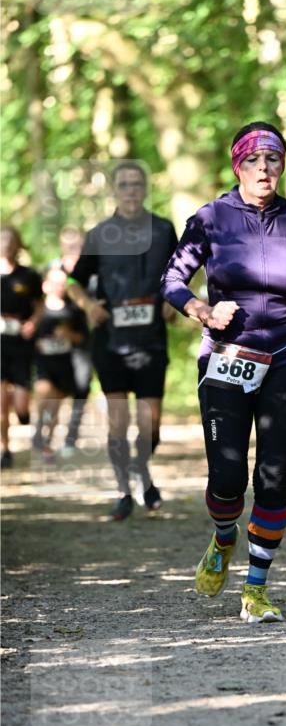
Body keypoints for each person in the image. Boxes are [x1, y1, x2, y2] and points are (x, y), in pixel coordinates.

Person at [161, 121, 286, 623]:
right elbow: (173, 278)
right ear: (238, 165)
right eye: (254, 161)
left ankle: (255, 588)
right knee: (227, 478)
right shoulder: (211, 219)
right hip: (228, 356)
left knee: (274, 477)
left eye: (274, 160)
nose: (265, 169)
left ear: (283, 165)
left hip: (285, 354)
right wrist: (201, 310)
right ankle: (222, 537)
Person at [67, 162, 178, 519]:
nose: (130, 191)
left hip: (151, 343)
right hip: (111, 342)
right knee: (118, 422)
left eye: (136, 184)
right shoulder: (99, 233)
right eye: (124, 185)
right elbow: (73, 282)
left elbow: (180, 274)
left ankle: (142, 470)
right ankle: (123, 490)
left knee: (152, 425)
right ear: (115, 191)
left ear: (145, 189)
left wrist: (175, 301)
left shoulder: (163, 230)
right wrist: (88, 305)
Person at [33, 263, 89, 461]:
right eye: (54, 283)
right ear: (45, 285)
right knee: (45, 394)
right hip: (44, 364)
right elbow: (28, 335)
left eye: (62, 284)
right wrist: (37, 342)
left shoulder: (73, 311)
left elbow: (83, 338)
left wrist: (68, 335)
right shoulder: (38, 310)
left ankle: (46, 442)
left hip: (64, 364)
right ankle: (39, 428)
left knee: (55, 406)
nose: (59, 287)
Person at [0, 226, 43, 469]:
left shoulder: (28, 276)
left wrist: (32, 323)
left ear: (18, 245)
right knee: (0, 404)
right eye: (1, 239)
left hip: (21, 346)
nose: (5, 244)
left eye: (10, 240)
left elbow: (40, 306)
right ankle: (5, 449)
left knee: (20, 403)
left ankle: (24, 414)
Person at [58, 226, 93, 455]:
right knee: (53, 388)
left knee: (82, 387)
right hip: (57, 341)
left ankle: (71, 436)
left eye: (76, 244)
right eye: (68, 244)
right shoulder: (53, 270)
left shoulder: (91, 270)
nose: (73, 248)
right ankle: (47, 433)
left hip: (86, 340)